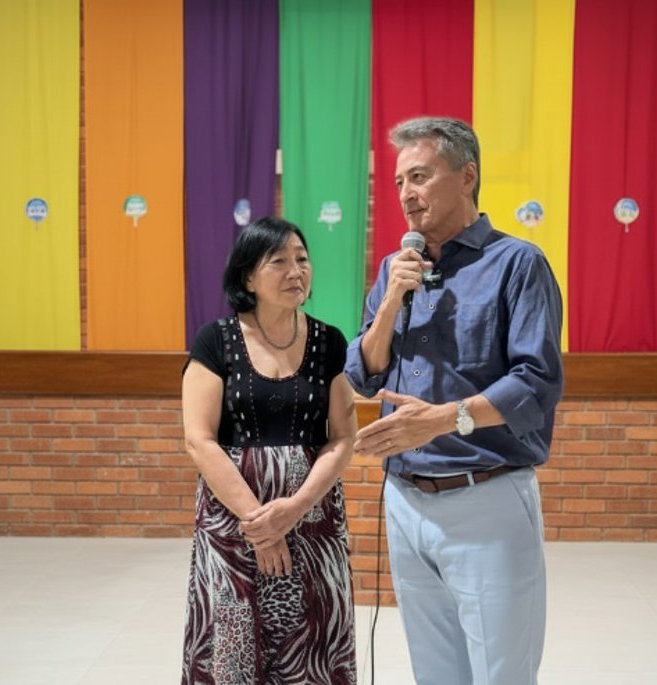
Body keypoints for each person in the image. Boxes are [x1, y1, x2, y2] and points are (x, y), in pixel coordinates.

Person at [345, 117, 564, 685]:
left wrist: (444, 419)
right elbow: (362, 375)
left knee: (500, 674)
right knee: (436, 673)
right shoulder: (396, 269)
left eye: (419, 176)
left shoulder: (517, 264)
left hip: (486, 497)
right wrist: (389, 302)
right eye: (398, 181)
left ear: (467, 177)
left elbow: (536, 382)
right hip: (406, 501)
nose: (405, 193)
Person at [180, 216, 357, 684]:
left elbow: (343, 436)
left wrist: (295, 509)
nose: (296, 271)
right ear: (247, 278)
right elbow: (199, 439)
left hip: (314, 524)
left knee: (313, 643)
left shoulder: (329, 341)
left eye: (302, 259)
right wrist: (262, 526)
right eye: (278, 261)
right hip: (233, 526)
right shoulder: (215, 340)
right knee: (234, 644)